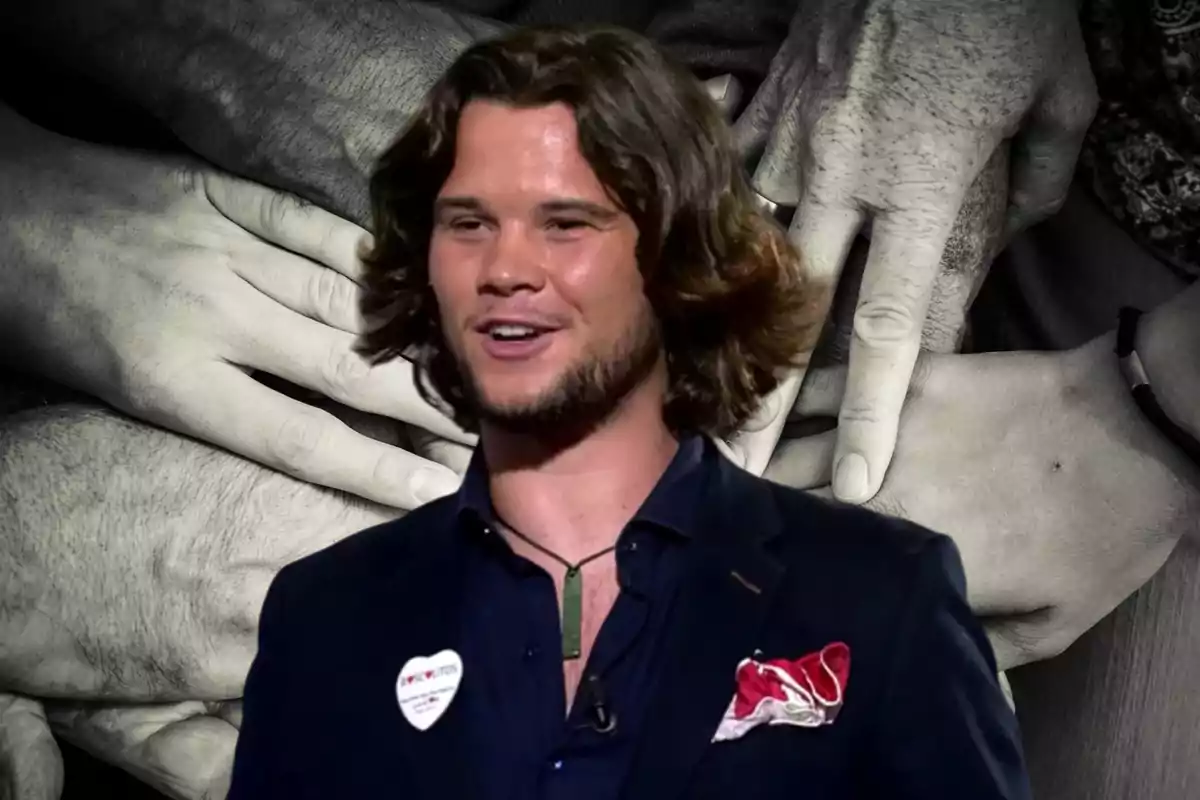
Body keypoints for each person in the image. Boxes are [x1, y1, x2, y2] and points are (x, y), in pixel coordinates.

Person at [226, 26, 1029, 799]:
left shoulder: (883, 595)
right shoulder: (324, 619)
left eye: (566, 224)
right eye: (468, 224)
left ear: (675, 259)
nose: (506, 268)